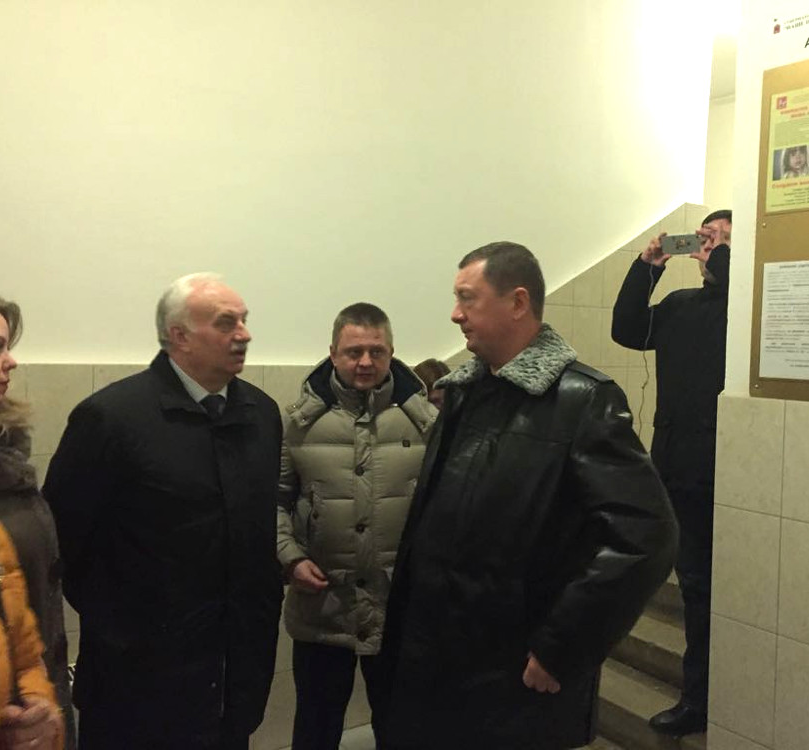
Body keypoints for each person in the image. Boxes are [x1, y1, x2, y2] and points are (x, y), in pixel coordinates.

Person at [381, 241, 677, 750]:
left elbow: (646, 538)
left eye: (467, 298)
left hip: (511, 678)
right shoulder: (466, 393)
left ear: (517, 302)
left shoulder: (583, 400)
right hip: (437, 662)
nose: (455, 314)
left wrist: (562, 646)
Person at [43, 273, 284, 750]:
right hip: (135, 686)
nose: (244, 334)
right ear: (180, 336)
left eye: (244, 320)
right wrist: (127, 626)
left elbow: (255, 534)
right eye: (226, 323)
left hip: (234, 678)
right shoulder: (111, 418)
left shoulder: (261, 414)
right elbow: (61, 542)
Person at [278, 302, 436, 750]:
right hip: (323, 609)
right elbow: (274, 501)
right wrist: (290, 558)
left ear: (391, 354)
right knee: (316, 729)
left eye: (376, 351)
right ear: (333, 353)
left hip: (398, 608)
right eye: (353, 352)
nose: (365, 362)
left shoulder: (426, 423)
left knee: (403, 729)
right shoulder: (298, 423)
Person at [610, 209, 732, 736]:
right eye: (707, 237)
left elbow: (737, 298)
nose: (710, 246)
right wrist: (647, 266)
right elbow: (626, 329)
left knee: (722, 591)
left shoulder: (749, 309)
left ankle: (716, 691)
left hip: (735, 472)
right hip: (680, 470)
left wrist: (723, 260)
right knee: (696, 590)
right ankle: (699, 697)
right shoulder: (681, 305)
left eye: (723, 240)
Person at [0, 285, 75, 748]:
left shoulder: (5, 454)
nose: (10, 361)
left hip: (29, 703)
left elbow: (26, 613)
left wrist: (38, 699)